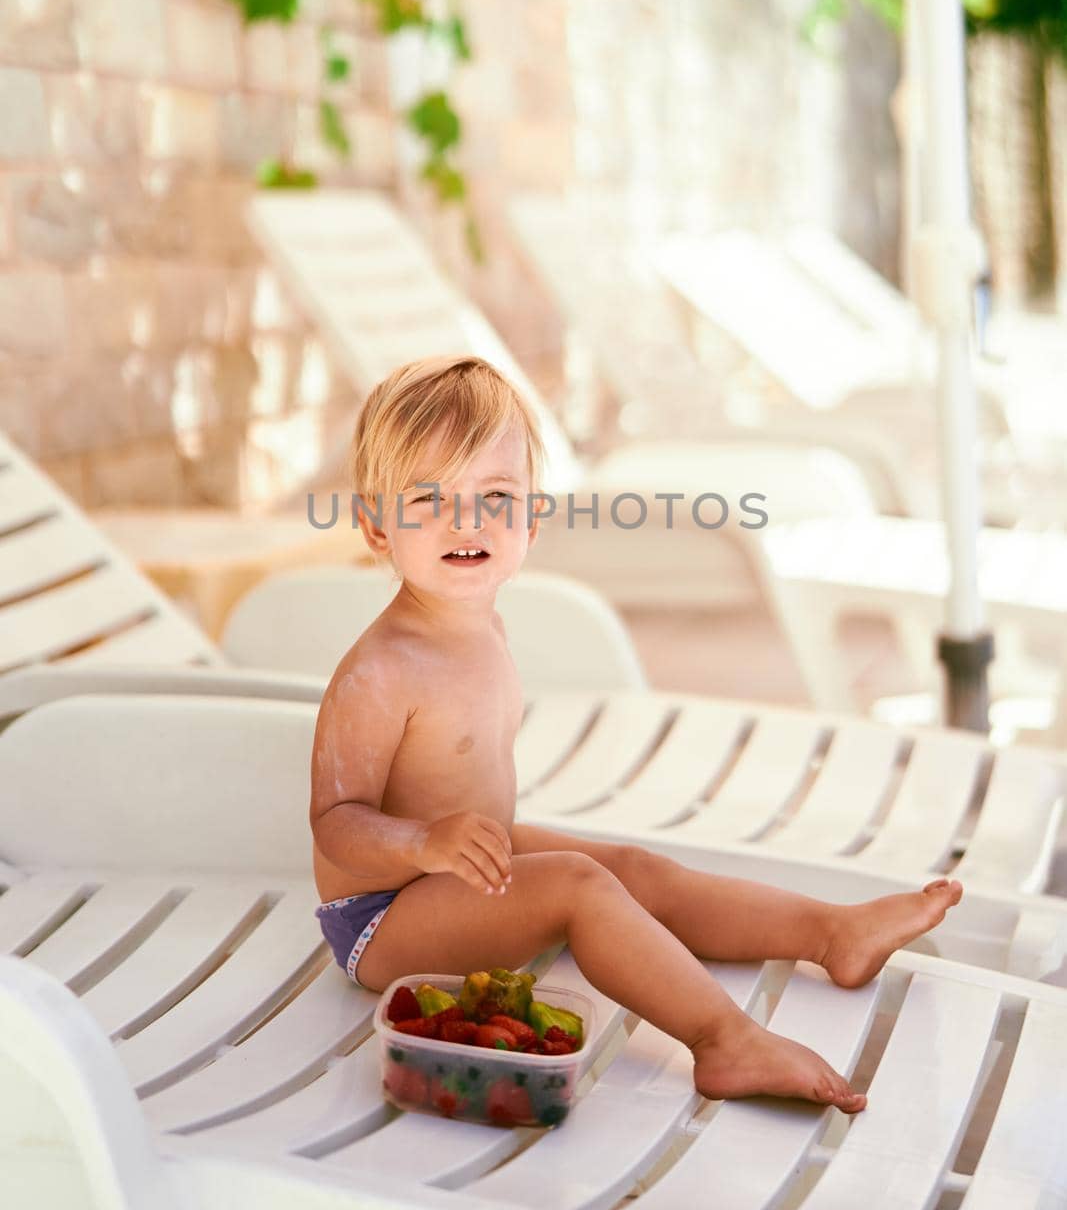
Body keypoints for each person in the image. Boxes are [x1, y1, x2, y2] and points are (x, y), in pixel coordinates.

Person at [311, 354, 963, 1113]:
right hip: (383, 918)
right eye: (430, 499)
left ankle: (828, 933)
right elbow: (334, 825)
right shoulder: (380, 670)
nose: (467, 522)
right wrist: (425, 845)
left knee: (630, 868)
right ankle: (724, 1041)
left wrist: (453, 841)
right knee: (581, 888)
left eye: (494, 496)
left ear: (532, 518)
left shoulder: (478, 623)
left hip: (458, 859)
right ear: (373, 526)